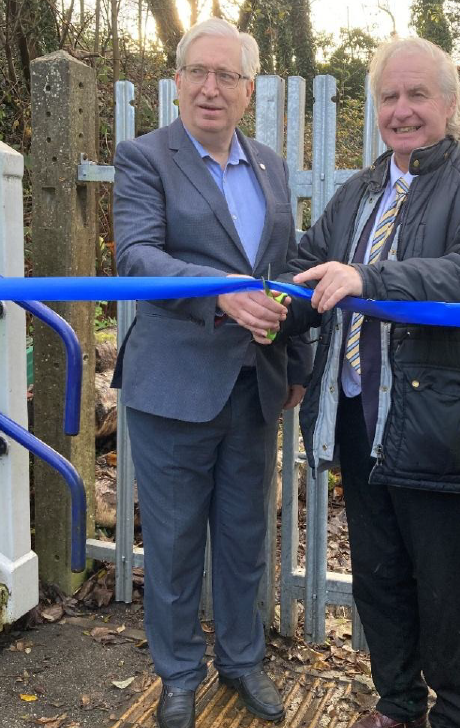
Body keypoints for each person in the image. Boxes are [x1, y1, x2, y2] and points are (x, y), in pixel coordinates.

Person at [277, 37, 460, 728]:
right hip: (357, 416)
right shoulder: (356, 192)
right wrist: (265, 311)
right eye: (389, 96)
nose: (402, 109)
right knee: (378, 578)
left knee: (443, 587)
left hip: (438, 420)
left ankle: (459, 715)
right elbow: (306, 270)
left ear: (450, 104)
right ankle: (396, 705)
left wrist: (368, 279)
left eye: (418, 95)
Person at [111, 17, 310, 728]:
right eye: (198, 71)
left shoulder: (270, 166)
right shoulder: (144, 158)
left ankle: (242, 661)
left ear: (248, 90)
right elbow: (135, 257)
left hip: (256, 382)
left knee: (243, 536)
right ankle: (176, 675)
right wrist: (217, 286)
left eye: (227, 76)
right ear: (176, 79)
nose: (210, 88)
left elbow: (287, 276)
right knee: (171, 545)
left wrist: (300, 362)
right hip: (174, 386)